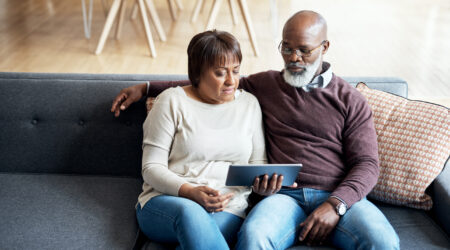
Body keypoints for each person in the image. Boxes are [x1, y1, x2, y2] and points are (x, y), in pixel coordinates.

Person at [112, 11, 400, 250]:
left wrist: (337, 205)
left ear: (324, 47)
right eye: (287, 48)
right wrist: (146, 88)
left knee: (384, 242)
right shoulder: (266, 85)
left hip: (337, 195)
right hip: (284, 198)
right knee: (253, 238)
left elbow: (368, 165)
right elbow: (207, 82)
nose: (294, 58)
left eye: (304, 50)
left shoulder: (350, 99)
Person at [134, 30, 268, 250]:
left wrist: (263, 185)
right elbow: (151, 167)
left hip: (228, 208)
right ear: (197, 73)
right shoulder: (170, 101)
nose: (231, 81)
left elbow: (257, 165)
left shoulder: (249, 104)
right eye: (220, 73)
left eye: (236, 71)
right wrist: (189, 192)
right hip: (167, 202)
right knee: (190, 213)